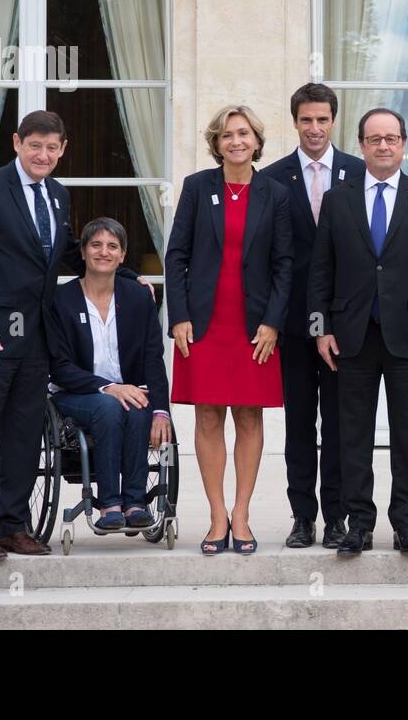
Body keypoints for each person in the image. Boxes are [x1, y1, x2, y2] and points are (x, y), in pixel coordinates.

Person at [0, 109, 144, 561]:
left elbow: (67, 252)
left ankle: (13, 524)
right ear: (17, 143)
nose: (44, 154)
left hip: (37, 338)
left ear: (62, 150)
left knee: (24, 433)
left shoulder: (56, 195)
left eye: (52, 147)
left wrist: (127, 276)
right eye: (35, 145)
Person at [309, 107, 408, 558]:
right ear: (362, 145)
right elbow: (320, 270)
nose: (384, 145)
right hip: (350, 336)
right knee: (353, 435)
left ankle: (406, 523)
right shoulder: (338, 198)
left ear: (404, 144)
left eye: (392, 138)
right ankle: (359, 524)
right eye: (375, 139)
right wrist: (321, 329)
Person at [165, 105, 292, 555]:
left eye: (243, 134)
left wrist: (274, 322)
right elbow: (176, 255)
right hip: (203, 324)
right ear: (216, 144)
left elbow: (284, 265)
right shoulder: (198, 188)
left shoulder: (274, 193)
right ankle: (216, 515)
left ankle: (242, 514)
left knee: (250, 416)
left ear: (257, 141)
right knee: (207, 415)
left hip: (254, 326)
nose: (235, 141)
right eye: (226, 135)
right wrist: (178, 315)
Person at [262, 84, 365, 550]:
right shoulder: (273, 178)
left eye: (323, 119)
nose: (315, 128)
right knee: (300, 425)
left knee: (342, 425)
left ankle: (337, 518)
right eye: (306, 120)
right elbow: (266, 256)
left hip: (347, 323)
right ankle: (302, 517)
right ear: (295, 122)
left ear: (333, 121)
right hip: (294, 325)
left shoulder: (358, 173)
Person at [47, 217, 172, 530]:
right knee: (110, 404)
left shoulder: (138, 297)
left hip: (127, 391)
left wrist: (161, 411)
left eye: (112, 246)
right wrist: (109, 388)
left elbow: (153, 359)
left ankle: (135, 502)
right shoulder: (61, 300)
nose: (104, 252)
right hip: (75, 393)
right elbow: (60, 367)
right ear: (85, 252)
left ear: (122, 255)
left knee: (140, 403)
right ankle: (109, 503)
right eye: (96, 245)